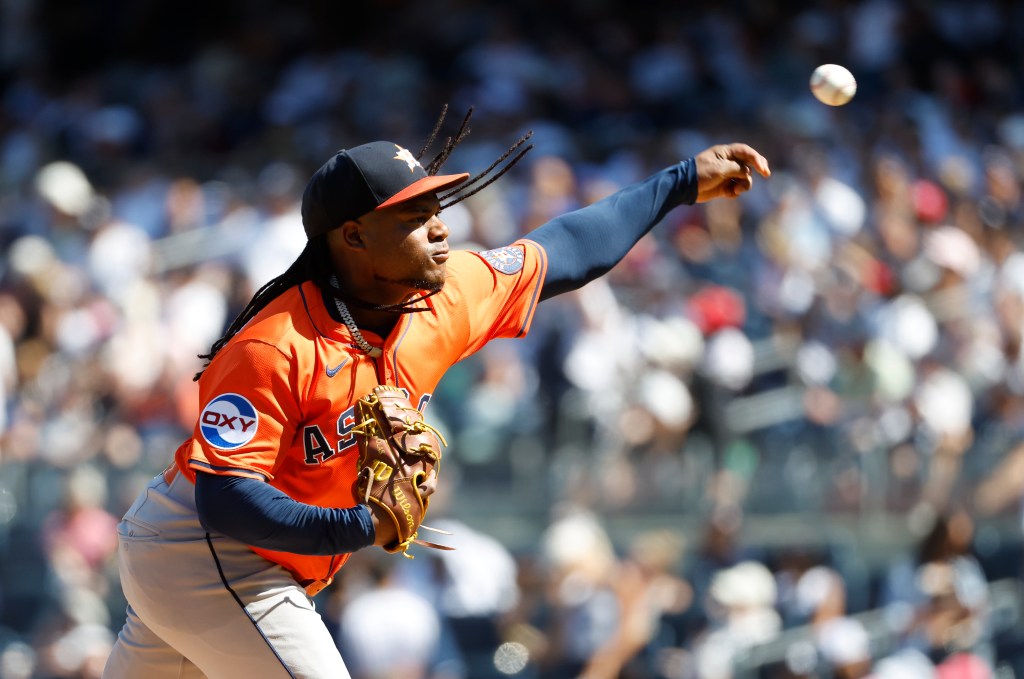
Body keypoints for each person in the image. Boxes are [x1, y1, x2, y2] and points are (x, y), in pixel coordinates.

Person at [102, 108, 770, 678]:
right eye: (414, 215)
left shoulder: (443, 298)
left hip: (229, 564)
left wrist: (679, 182)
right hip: (207, 549)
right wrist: (361, 525)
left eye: (436, 206)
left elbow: (564, 250)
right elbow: (226, 499)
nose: (441, 226)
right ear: (354, 237)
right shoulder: (275, 344)